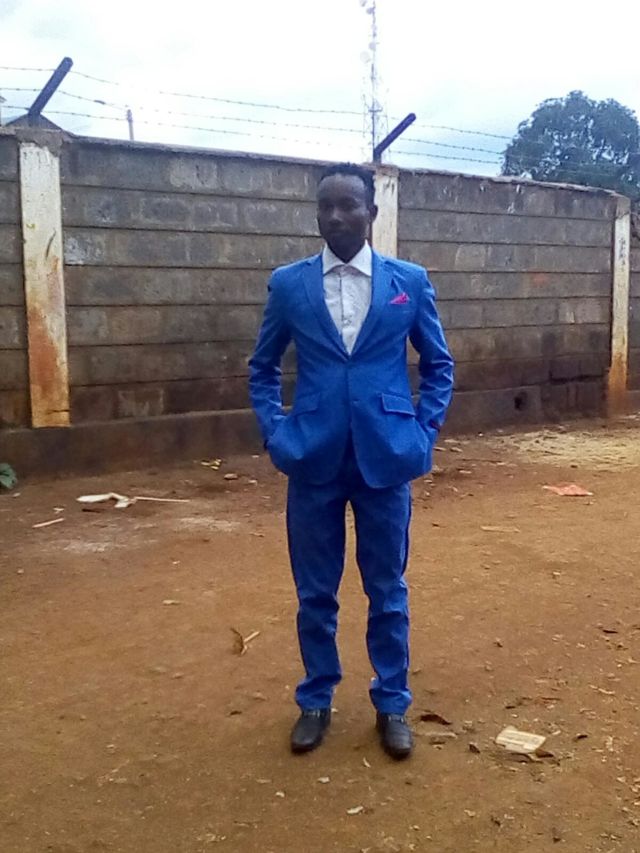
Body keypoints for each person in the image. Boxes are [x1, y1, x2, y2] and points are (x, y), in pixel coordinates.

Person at [249, 163, 454, 759]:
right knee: (315, 592)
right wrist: (277, 433)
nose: (336, 216)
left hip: (386, 457)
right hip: (311, 457)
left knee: (387, 589)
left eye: (348, 205)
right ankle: (315, 699)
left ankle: (392, 703)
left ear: (372, 213)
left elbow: (439, 364)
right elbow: (262, 367)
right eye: (326, 207)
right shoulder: (290, 285)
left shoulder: (408, 282)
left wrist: (423, 432)